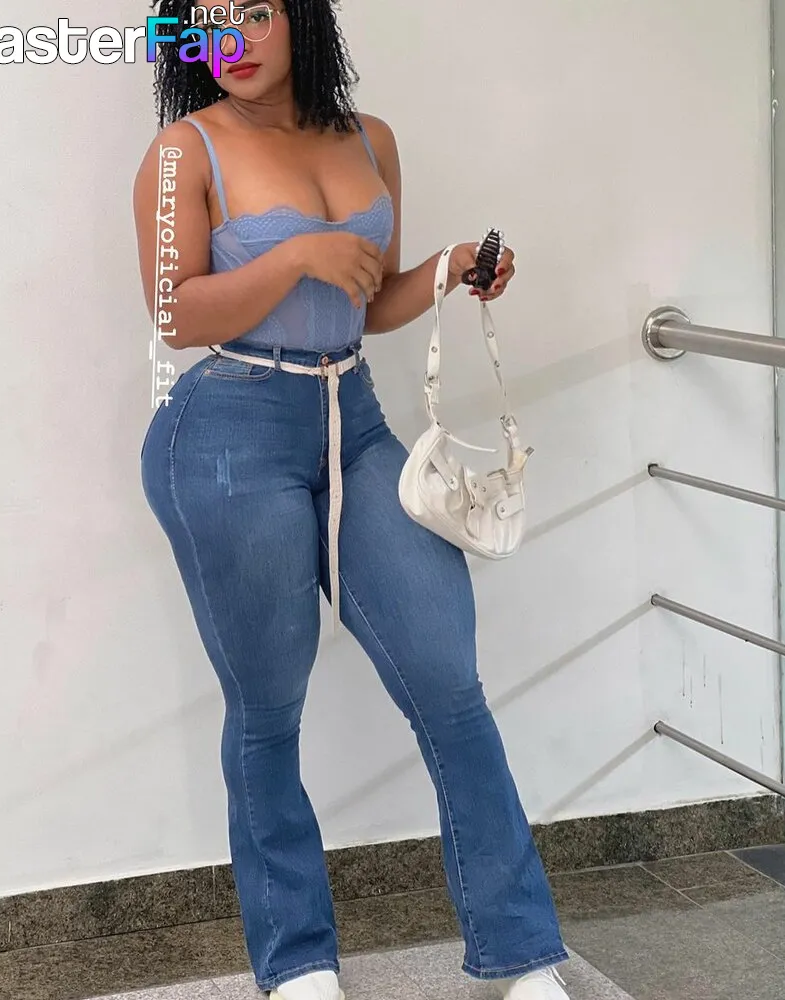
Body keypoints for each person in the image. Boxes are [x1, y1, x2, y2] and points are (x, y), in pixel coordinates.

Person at [133, 2, 571, 998]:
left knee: (446, 678)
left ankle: (520, 952)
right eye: (209, 19)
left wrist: (450, 270)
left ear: (301, 17)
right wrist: (294, 256)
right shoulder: (184, 151)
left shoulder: (371, 139)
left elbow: (364, 303)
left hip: (356, 422)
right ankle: (297, 963)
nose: (233, 39)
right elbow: (172, 311)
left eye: (255, 11)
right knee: (267, 707)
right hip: (230, 431)